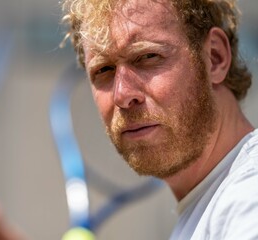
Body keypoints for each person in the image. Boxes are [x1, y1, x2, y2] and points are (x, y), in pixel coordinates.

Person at [60, 0, 257, 239]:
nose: (122, 95)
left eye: (147, 56)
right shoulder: (210, 211)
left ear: (214, 57)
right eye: (103, 70)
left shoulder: (249, 194)